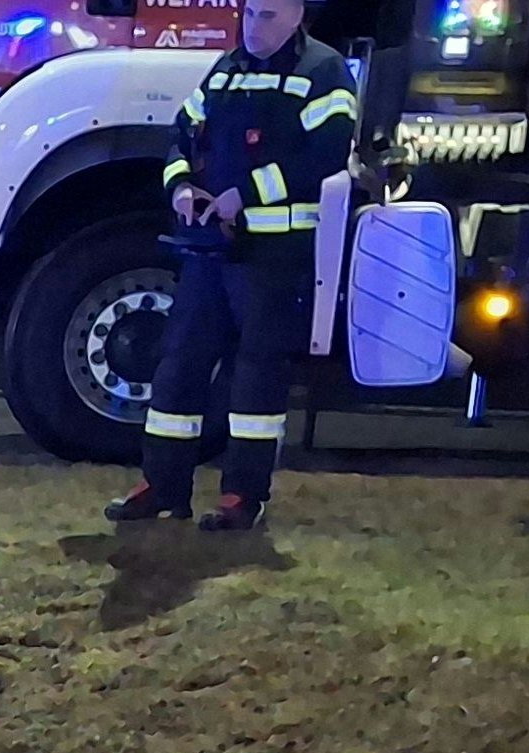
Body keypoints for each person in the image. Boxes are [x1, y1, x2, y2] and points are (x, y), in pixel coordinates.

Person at [106, 0, 357, 531]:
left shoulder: (322, 71)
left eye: (267, 15)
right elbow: (180, 135)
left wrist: (244, 194)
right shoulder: (227, 70)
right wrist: (180, 188)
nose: (253, 26)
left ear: (296, 14)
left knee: (256, 379)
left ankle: (244, 497)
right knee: (178, 368)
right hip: (210, 249)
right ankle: (162, 487)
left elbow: (325, 156)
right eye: (249, 14)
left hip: (276, 254)